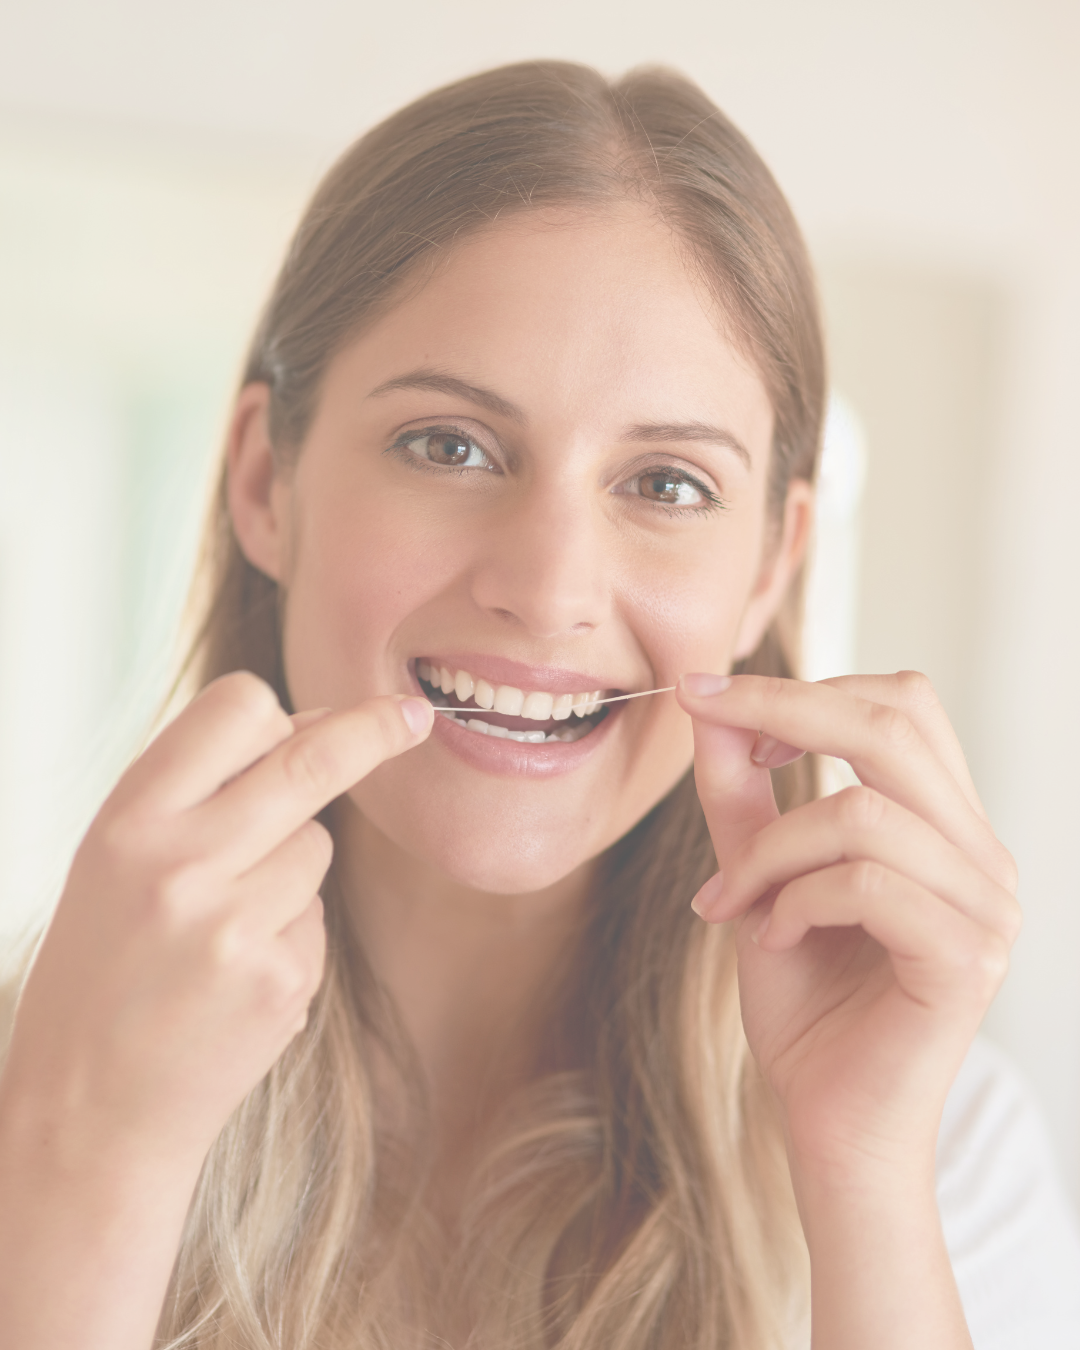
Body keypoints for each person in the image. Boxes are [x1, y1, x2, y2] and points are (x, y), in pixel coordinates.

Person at [0, 60, 1077, 1350]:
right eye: (449, 446)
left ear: (774, 566)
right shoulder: (41, 1095)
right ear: (263, 483)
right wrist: (87, 1159)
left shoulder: (938, 1154)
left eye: (668, 484)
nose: (551, 589)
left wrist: (860, 1178)